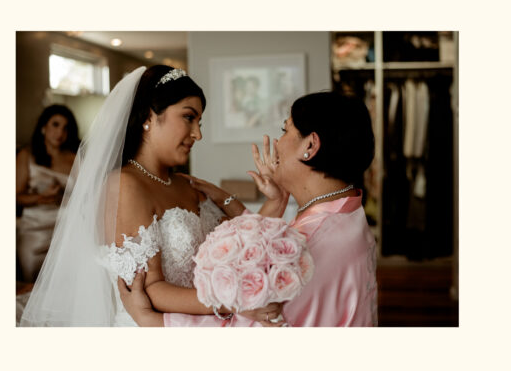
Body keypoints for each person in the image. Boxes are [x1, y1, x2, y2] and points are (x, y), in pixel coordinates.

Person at [19, 65, 279, 326]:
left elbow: (247, 244)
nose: (197, 134)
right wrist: (235, 302)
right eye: (189, 118)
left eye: (199, 122)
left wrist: (249, 197)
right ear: (149, 117)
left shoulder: (188, 184)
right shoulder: (124, 186)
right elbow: (149, 289)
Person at [118, 91, 378, 327]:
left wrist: (149, 320)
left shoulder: (307, 247)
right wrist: (249, 203)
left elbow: (245, 331)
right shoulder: (346, 212)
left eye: (284, 130)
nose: (277, 142)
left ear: (309, 146)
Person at [16, 105, 79, 282]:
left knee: (65, 283)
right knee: (33, 283)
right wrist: (41, 198)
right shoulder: (27, 155)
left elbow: (86, 195)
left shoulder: (75, 158)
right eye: (55, 125)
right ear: (44, 127)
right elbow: (16, 197)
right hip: (35, 230)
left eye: (65, 128)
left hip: (67, 231)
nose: (60, 132)